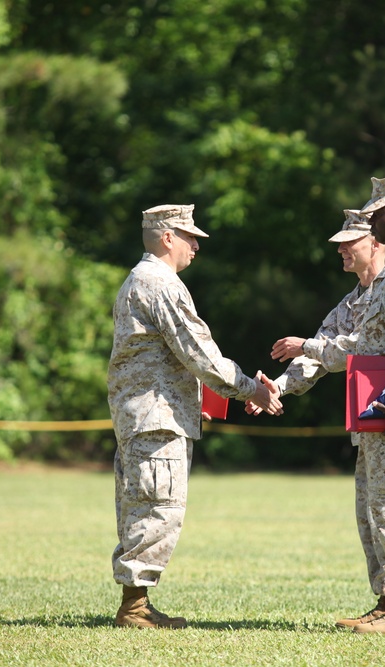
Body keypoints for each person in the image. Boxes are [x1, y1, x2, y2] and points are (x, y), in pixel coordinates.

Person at [272, 174, 385, 635]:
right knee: (379, 508)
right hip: (381, 416)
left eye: (379, 213)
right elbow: (358, 347)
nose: (372, 220)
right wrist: (286, 378)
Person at [107, 203, 282, 629]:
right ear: (167, 238)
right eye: (189, 235)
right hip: (157, 417)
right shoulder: (159, 283)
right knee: (158, 506)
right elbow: (200, 354)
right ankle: (134, 607)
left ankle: (136, 603)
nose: (197, 243)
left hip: (149, 414)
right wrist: (251, 388)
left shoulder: (139, 279)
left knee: (146, 504)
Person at [248, 209, 385, 628]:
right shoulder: (350, 301)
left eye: (351, 240)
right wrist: (277, 387)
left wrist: (308, 346)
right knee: (370, 512)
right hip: (367, 421)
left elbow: (357, 347)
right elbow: (317, 357)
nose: (341, 248)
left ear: (377, 243)